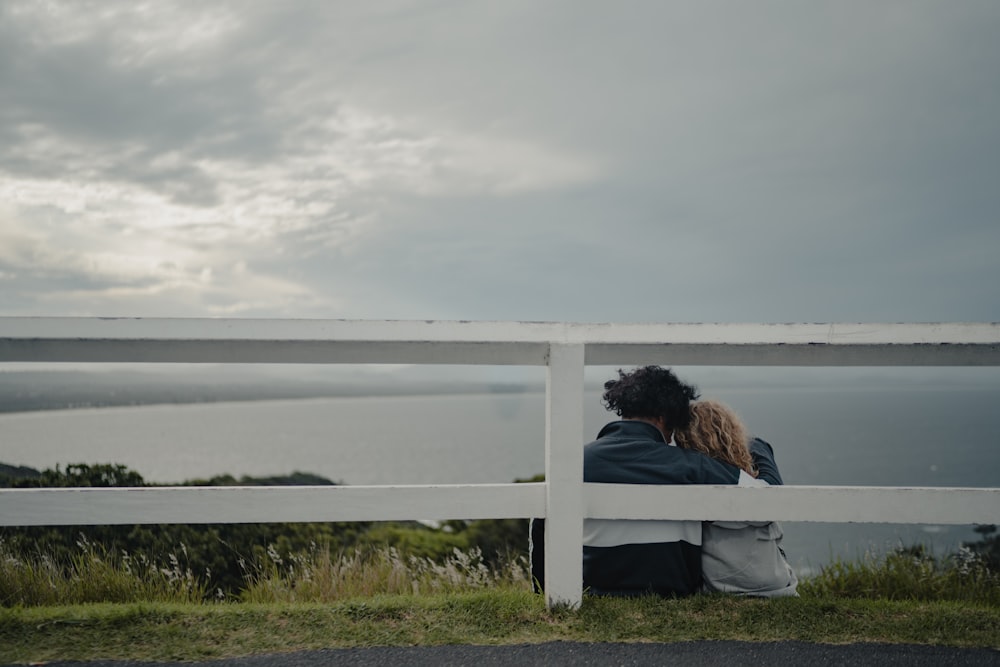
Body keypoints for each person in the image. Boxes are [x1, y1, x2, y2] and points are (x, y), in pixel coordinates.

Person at [530, 365, 783, 597]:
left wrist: (544, 590)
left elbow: (542, 520)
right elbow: (765, 503)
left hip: (595, 588)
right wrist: (755, 445)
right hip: (670, 594)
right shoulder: (690, 465)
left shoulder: (576, 462)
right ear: (664, 417)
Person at [674, 399, 798, 597]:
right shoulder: (753, 480)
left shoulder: (690, 479)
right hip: (775, 584)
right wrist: (750, 444)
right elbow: (771, 493)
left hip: (717, 587)